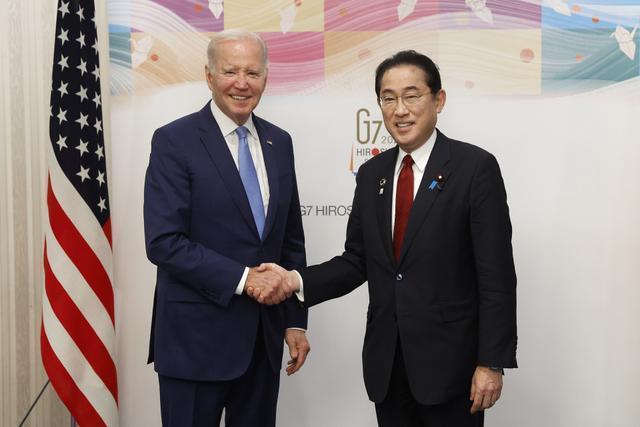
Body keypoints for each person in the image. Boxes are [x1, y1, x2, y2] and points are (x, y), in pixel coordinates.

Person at [251, 50, 517, 426]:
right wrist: (295, 280)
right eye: (388, 98)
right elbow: (357, 260)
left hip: (452, 368)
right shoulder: (372, 173)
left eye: (412, 95)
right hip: (388, 367)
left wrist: (491, 362)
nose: (400, 110)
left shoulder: (475, 168)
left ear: (438, 100)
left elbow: (496, 277)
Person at [143, 29, 310, 427]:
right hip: (193, 344)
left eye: (252, 72)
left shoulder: (279, 142)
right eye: (230, 71)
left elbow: (289, 239)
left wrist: (294, 320)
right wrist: (244, 279)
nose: (241, 83)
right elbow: (164, 242)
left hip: (262, 344)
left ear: (265, 78)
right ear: (209, 75)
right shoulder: (174, 141)